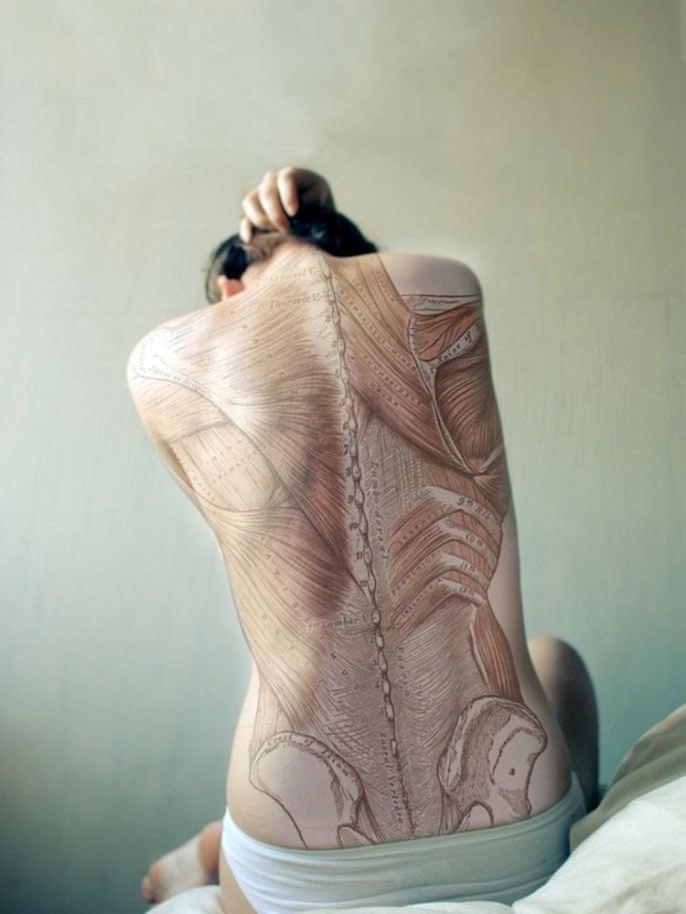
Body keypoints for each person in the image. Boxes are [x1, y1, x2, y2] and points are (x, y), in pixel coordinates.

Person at [129, 168, 599, 913]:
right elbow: (339, 316)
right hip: (513, 824)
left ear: (227, 287)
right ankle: (215, 848)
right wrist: (321, 217)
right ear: (357, 251)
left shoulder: (161, 361)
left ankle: (216, 851)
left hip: (292, 843)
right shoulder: (446, 285)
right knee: (555, 658)